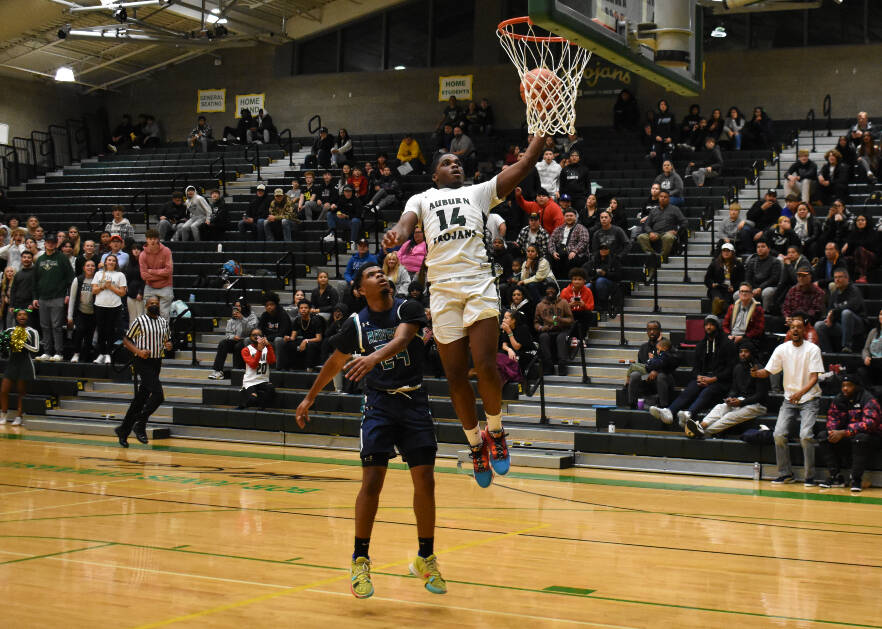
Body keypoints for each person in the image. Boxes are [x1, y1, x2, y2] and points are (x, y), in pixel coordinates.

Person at [382, 133, 548, 487]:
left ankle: (497, 432)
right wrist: (396, 234)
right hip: (442, 290)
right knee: (455, 376)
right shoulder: (421, 198)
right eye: (446, 162)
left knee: (486, 365)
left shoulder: (478, 192)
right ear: (434, 175)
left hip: (477, 282)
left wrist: (538, 140)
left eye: (457, 162)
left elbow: (521, 167)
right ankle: (475, 444)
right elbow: (406, 223)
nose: (454, 165)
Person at [295, 264, 445, 599]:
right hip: (378, 405)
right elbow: (335, 361)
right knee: (372, 482)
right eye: (372, 274)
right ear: (361, 290)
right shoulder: (357, 323)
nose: (380, 274)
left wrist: (373, 358)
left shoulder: (407, 307)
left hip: (413, 401)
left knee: (425, 480)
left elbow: (404, 338)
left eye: (382, 271)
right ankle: (359, 559)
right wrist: (309, 398)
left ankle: (426, 558)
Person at [751, 318, 825, 485]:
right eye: (793, 327)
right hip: (789, 399)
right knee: (778, 434)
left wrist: (800, 392)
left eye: (799, 327)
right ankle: (786, 474)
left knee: (805, 436)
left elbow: (814, 378)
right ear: (789, 331)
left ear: (804, 330)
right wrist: (757, 373)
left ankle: (810, 477)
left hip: (809, 398)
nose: (796, 330)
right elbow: (768, 371)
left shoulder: (812, 349)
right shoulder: (782, 349)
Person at [649, 315, 736, 426]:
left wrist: (713, 379)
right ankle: (669, 412)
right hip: (704, 378)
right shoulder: (701, 345)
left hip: (720, 380)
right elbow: (695, 369)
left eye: (711, 325)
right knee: (691, 387)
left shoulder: (727, 345)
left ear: (717, 327)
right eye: (706, 325)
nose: (708, 327)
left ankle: (689, 414)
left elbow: (730, 369)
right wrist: (698, 376)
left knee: (708, 390)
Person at [114, 295, 172, 448]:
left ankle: (123, 430)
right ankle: (140, 423)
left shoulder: (163, 322)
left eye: (156, 303)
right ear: (146, 306)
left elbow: (167, 340)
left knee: (140, 399)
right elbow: (126, 340)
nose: (154, 305)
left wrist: (168, 344)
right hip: (142, 361)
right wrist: (138, 352)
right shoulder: (140, 321)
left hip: (156, 361)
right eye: (151, 303)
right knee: (158, 395)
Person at [685, 339, 768, 439]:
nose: (743, 354)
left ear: (752, 353)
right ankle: (701, 426)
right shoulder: (737, 368)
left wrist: (741, 403)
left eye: (746, 351)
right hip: (742, 400)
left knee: (730, 416)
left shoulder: (759, 369)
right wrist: (730, 397)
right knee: (720, 407)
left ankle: (702, 432)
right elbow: (734, 389)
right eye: (741, 352)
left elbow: (760, 395)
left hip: (758, 405)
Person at [816, 374, 881, 492]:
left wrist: (844, 432)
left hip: (872, 437)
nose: (845, 388)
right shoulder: (839, 399)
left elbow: (869, 424)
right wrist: (832, 431)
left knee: (860, 438)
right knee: (823, 436)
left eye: (849, 386)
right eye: (843, 386)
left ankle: (856, 479)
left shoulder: (868, 399)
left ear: (857, 387)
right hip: (847, 434)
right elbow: (832, 418)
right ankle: (836, 477)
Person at [33, 233, 73, 361]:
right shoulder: (39, 259)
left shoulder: (62, 258)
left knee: (56, 326)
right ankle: (47, 352)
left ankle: (58, 353)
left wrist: (68, 294)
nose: (50, 244)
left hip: (58, 297)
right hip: (43, 298)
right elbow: (35, 280)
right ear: (45, 244)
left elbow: (70, 278)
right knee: (44, 326)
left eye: (53, 242)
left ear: (56, 244)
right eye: (48, 242)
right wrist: (35, 297)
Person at [0, 308, 40, 426]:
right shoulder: (9, 330)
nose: (22, 316)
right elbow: (4, 347)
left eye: (24, 315)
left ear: (27, 317)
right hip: (12, 362)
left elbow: (36, 349)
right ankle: (3, 415)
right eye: (19, 315)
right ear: (16, 317)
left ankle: (19, 416)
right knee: (3, 390)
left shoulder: (32, 331)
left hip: (25, 363)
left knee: (21, 391)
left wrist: (22, 343)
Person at [814, 268, 866, 353]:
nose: (837, 280)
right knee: (819, 325)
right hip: (841, 326)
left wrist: (834, 312)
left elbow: (853, 306)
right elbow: (830, 311)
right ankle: (827, 352)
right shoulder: (834, 294)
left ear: (847, 278)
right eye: (835, 277)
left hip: (857, 325)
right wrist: (830, 319)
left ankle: (846, 346)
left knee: (846, 313)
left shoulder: (854, 290)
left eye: (840, 277)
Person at [627, 321, 675, 410]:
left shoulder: (667, 345)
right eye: (649, 329)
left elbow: (672, 365)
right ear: (647, 332)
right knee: (635, 375)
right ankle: (632, 405)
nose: (652, 332)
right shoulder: (643, 348)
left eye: (654, 329)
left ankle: (663, 407)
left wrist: (657, 371)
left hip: (664, 375)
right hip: (647, 376)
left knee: (660, 376)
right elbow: (642, 366)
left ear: (660, 331)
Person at [91, 254, 127, 365]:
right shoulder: (98, 274)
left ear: (116, 263)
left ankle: (108, 354)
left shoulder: (120, 275)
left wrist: (111, 287)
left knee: (110, 331)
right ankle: (101, 354)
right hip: (100, 305)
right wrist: (102, 287)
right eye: (109, 260)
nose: (111, 262)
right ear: (105, 262)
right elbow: (94, 291)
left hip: (114, 306)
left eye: (113, 260)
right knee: (101, 331)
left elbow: (122, 293)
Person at [635, 190, 686, 267]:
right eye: (661, 197)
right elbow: (646, 225)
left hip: (667, 233)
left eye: (665, 197)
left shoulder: (675, 209)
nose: (663, 198)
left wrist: (677, 231)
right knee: (641, 237)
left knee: (668, 237)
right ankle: (653, 256)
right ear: (658, 198)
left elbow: (684, 222)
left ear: (669, 199)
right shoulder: (654, 210)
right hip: (655, 233)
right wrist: (650, 232)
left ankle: (663, 258)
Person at [208, 300, 257, 380]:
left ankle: (236, 371)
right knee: (223, 343)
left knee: (238, 346)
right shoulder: (233, 318)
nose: (237, 308)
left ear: (244, 306)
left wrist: (242, 319)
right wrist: (233, 337)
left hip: (247, 340)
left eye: (239, 306)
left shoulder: (252, 316)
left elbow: (252, 330)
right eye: (236, 306)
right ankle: (217, 370)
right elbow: (227, 334)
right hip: (235, 340)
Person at [534, 283, 574, 376]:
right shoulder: (540, 305)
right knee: (543, 337)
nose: (550, 291)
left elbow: (571, 320)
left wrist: (560, 319)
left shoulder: (563, 302)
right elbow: (536, 323)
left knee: (561, 338)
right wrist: (541, 328)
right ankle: (548, 366)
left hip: (562, 329)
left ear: (556, 291)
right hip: (547, 330)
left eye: (552, 289)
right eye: (548, 289)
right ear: (545, 291)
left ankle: (562, 366)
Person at [238, 328, 276, 410]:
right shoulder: (246, 350)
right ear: (250, 337)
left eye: (259, 335)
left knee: (271, 390)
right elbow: (253, 365)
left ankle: (261, 410)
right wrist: (259, 350)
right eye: (254, 335)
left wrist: (268, 345)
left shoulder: (267, 348)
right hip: (250, 381)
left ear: (263, 337)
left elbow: (272, 361)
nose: (256, 337)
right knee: (253, 399)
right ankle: (243, 404)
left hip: (263, 380)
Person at [67, 259, 97, 363]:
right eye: (88, 265)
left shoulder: (97, 280)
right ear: (84, 268)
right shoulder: (78, 280)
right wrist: (69, 316)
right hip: (80, 312)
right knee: (79, 332)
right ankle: (76, 353)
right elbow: (72, 299)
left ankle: (85, 357)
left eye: (92, 266)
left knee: (89, 336)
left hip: (93, 313)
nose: (90, 268)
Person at [281, 300, 324, 371]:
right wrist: (288, 338)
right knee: (289, 344)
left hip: (316, 342)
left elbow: (319, 338)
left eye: (306, 308)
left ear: (310, 309)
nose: (303, 309)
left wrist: (306, 341)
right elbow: (293, 337)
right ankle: (291, 367)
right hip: (305, 340)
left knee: (309, 345)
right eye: (301, 308)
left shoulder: (316, 320)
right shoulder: (297, 320)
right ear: (299, 310)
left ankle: (309, 368)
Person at [140, 230, 173, 319]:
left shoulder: (166, 251)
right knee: (147, 314)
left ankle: (164, 332)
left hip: (166, 286)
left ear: (158, 239)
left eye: (154, 238)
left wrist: (151, 271)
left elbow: (169, 271)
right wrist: (161, 275)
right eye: (150, 239)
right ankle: (150, 332)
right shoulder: (142, 255)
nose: (152, 241)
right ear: (146, 240)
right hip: (150, 286)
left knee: (164, 314)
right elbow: (144, 276)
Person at [548, 208, 590, 279]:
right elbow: (551, 241)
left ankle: (568, 280)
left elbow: (584, 241)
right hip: (560, 251)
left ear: (575, 217)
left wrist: (574, 251)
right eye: (567, 216)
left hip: (576, 253)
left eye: (571, 216)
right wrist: (553, 252)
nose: (569, 218)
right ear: (564, 217)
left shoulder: (581, 228)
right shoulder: (559, 229)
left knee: (570, 259)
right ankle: (557, 281)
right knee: (551, 257)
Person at [704, 243, 744, 316]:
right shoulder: (714, 264)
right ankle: (717, 316)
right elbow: (707, 279)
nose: (726, 253)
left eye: (728, 251)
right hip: (717, 288)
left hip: (730, 289)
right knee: (718, 300)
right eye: (724, 251)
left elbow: (742, 280)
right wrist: (712, 284)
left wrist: (734, 287)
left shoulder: (738, 265)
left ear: (732, 252)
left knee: (726, 301)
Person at [744, 239, 781, 313]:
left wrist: (760, 288)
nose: (760, 249)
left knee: (767, 292)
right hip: (754, 288)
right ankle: (743, 314)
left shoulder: (775, 261)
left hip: (769, 287)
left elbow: (774, 279)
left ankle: (765, 314)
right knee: (737, 294)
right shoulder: (752, 261)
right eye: (758, 247)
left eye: (763, 247)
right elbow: (748, 278)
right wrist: (750, 289)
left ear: (768, 249)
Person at [584, 242, 621, 313]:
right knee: (587, 286)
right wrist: (590, 279)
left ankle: (603, 304)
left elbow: (618, 276)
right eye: (601, 248)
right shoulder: (594, 259)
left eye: (605, 248)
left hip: (611, 283)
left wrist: (605, 274)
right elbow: (586, 270)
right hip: (595, 281)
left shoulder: (614, 260)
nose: (603, 250)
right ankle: (589, 307)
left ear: (609, 249)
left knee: (600, 281)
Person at [499, 308, 534, 380]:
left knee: (514, 358)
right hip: (514, 352)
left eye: (506, 318)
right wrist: (509, 350)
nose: (503, 320)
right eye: (503, 318)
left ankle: (514, 378)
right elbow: (504, 345)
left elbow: (517, 347)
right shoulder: (507, 328)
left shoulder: (523, 328)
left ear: (513, 320)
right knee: (499, 355)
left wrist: (509, 332)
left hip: (526, 352)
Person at [841, 214, 877, 284]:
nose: (860, 222)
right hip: (857, 257)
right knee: (845, 258)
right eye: (858, 220)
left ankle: (863, 276)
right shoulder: (853, 233)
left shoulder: (873, 233)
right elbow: (849, 250)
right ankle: (846, 279)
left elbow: (869, 245)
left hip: (871, 258)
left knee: (860, 249)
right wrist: (847, 245)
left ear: (867, 221)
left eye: (862, 220)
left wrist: (849, 243)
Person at [859, 309, 882, 389]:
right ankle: (870, 393)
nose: (881, 316)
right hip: (873, 362)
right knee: (861, 371)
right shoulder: (873, 332)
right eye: (881, 314)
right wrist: (866, 357)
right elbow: (866, 349)